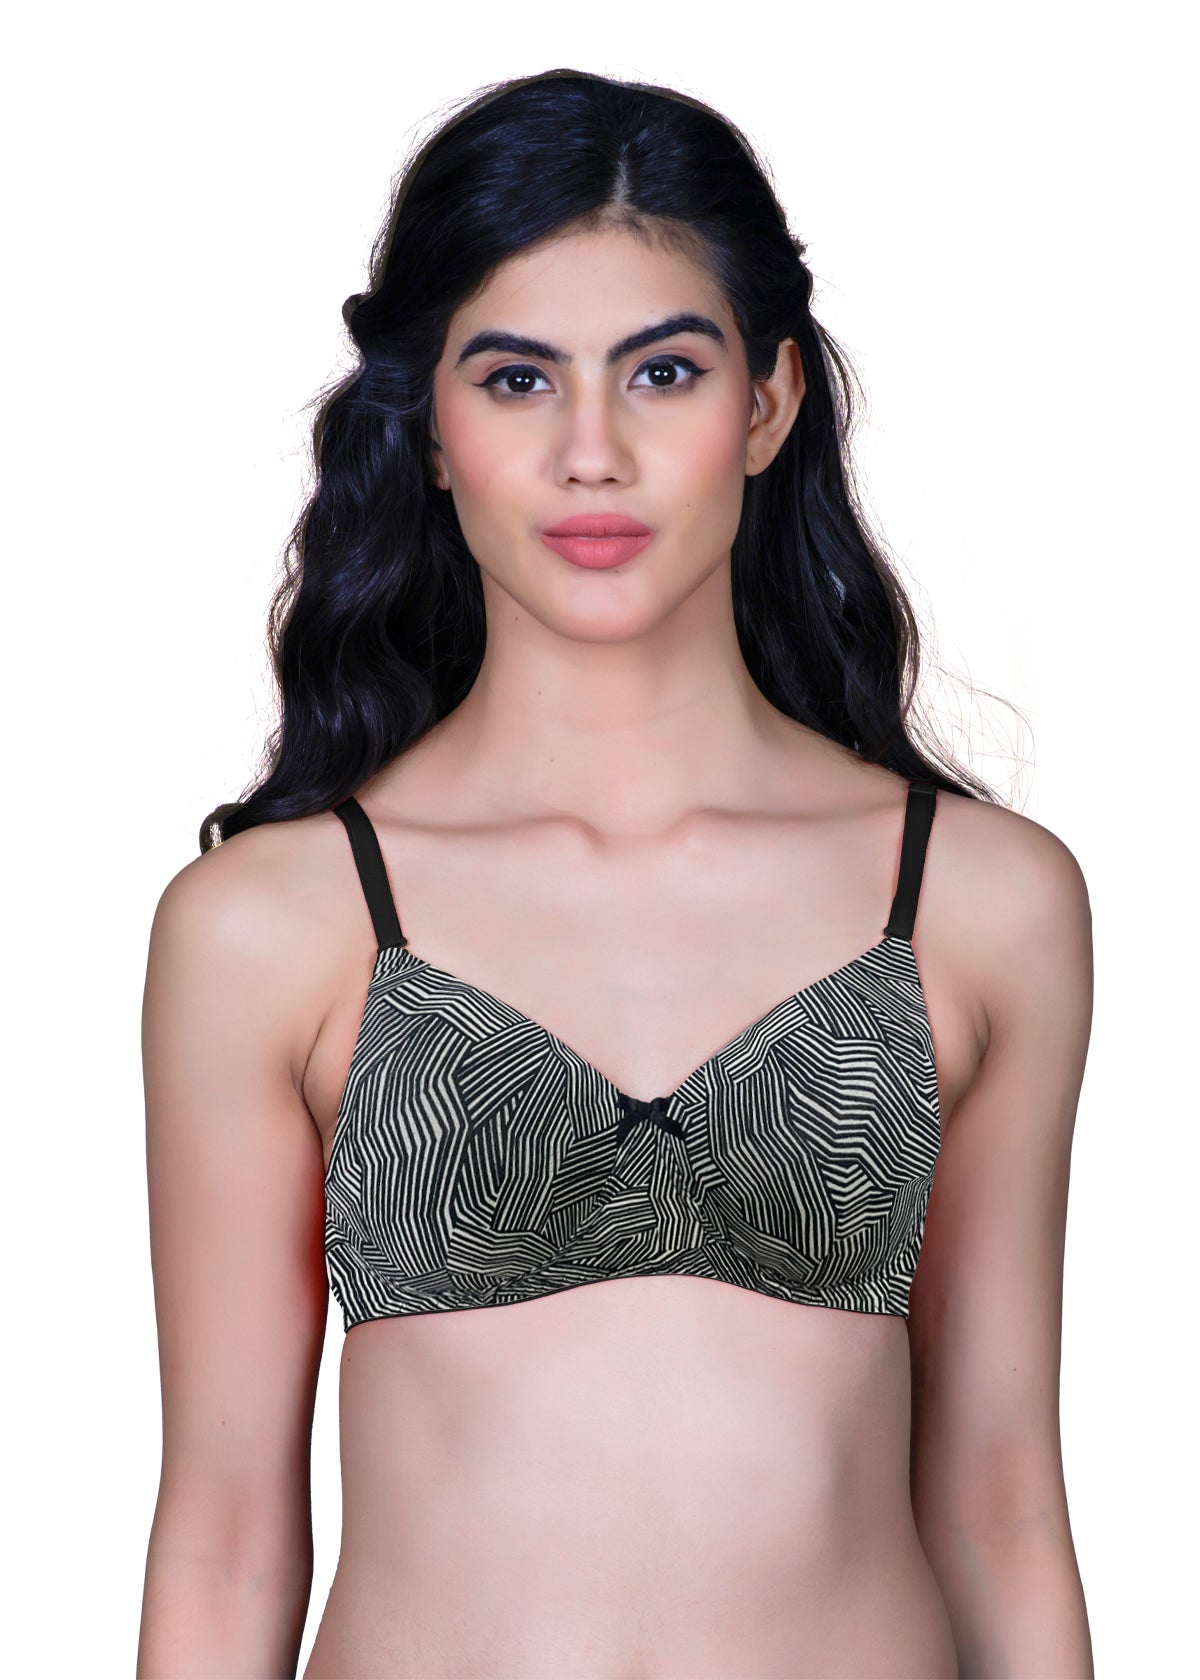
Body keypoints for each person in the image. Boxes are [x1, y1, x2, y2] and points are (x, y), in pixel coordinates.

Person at [136, 67, 1094, 1680]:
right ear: (432, 431)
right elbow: (224, 1537)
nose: (594, 453)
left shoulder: (980, 902)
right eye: (517, 379)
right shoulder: (271, 926)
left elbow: (1001, 1501)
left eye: (663, 371)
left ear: (768, 404)